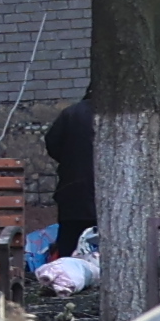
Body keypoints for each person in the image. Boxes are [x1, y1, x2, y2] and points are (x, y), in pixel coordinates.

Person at [42, 96, 97, 258]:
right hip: (111, 196)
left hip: (73, 190)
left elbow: (52, 143)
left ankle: (66, 279)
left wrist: (70, 161)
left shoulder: (71, 113)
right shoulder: (120, 113)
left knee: (69, 240)